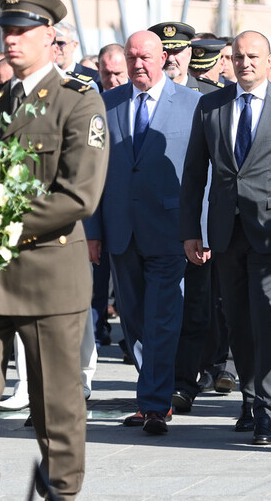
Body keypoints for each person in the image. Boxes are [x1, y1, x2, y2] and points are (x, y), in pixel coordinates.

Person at [0, 0, 108, 501]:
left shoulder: (78, 103)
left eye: (22, 30)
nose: (11, 40)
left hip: (47, 272)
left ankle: (60, 488)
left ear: (50, 36)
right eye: (6, 30)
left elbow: (78, 196)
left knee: (55, 400)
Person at [180, 30, 271, 445]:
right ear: (228, 61)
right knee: (236, 319)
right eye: (238, 57)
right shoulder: (211, 105)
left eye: (254, 56)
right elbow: (195, 174)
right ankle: (252, 399)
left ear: (270, 61)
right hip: (224, 232)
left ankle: (265, 407)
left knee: (265, 317)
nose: (245, 63)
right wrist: (190, 232)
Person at [83, 30, 201, 434]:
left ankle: (155, 403)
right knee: (132, 320)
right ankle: (151, 388)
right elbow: (93, 171)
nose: (138, 65)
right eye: (131, 58)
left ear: (163, 57)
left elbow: (202, 174)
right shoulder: (106, 103)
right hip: (120, 231)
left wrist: (199, 229)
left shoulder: (192, 105)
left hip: (170, 231)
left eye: (145, 57)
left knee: (162, 318)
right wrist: (93, 231)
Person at [150, 22, 217, 94]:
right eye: (165, 52)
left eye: (176, 52)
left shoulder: (211, 93)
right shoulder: (146, 90)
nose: (170, 58)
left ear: (189, 53)